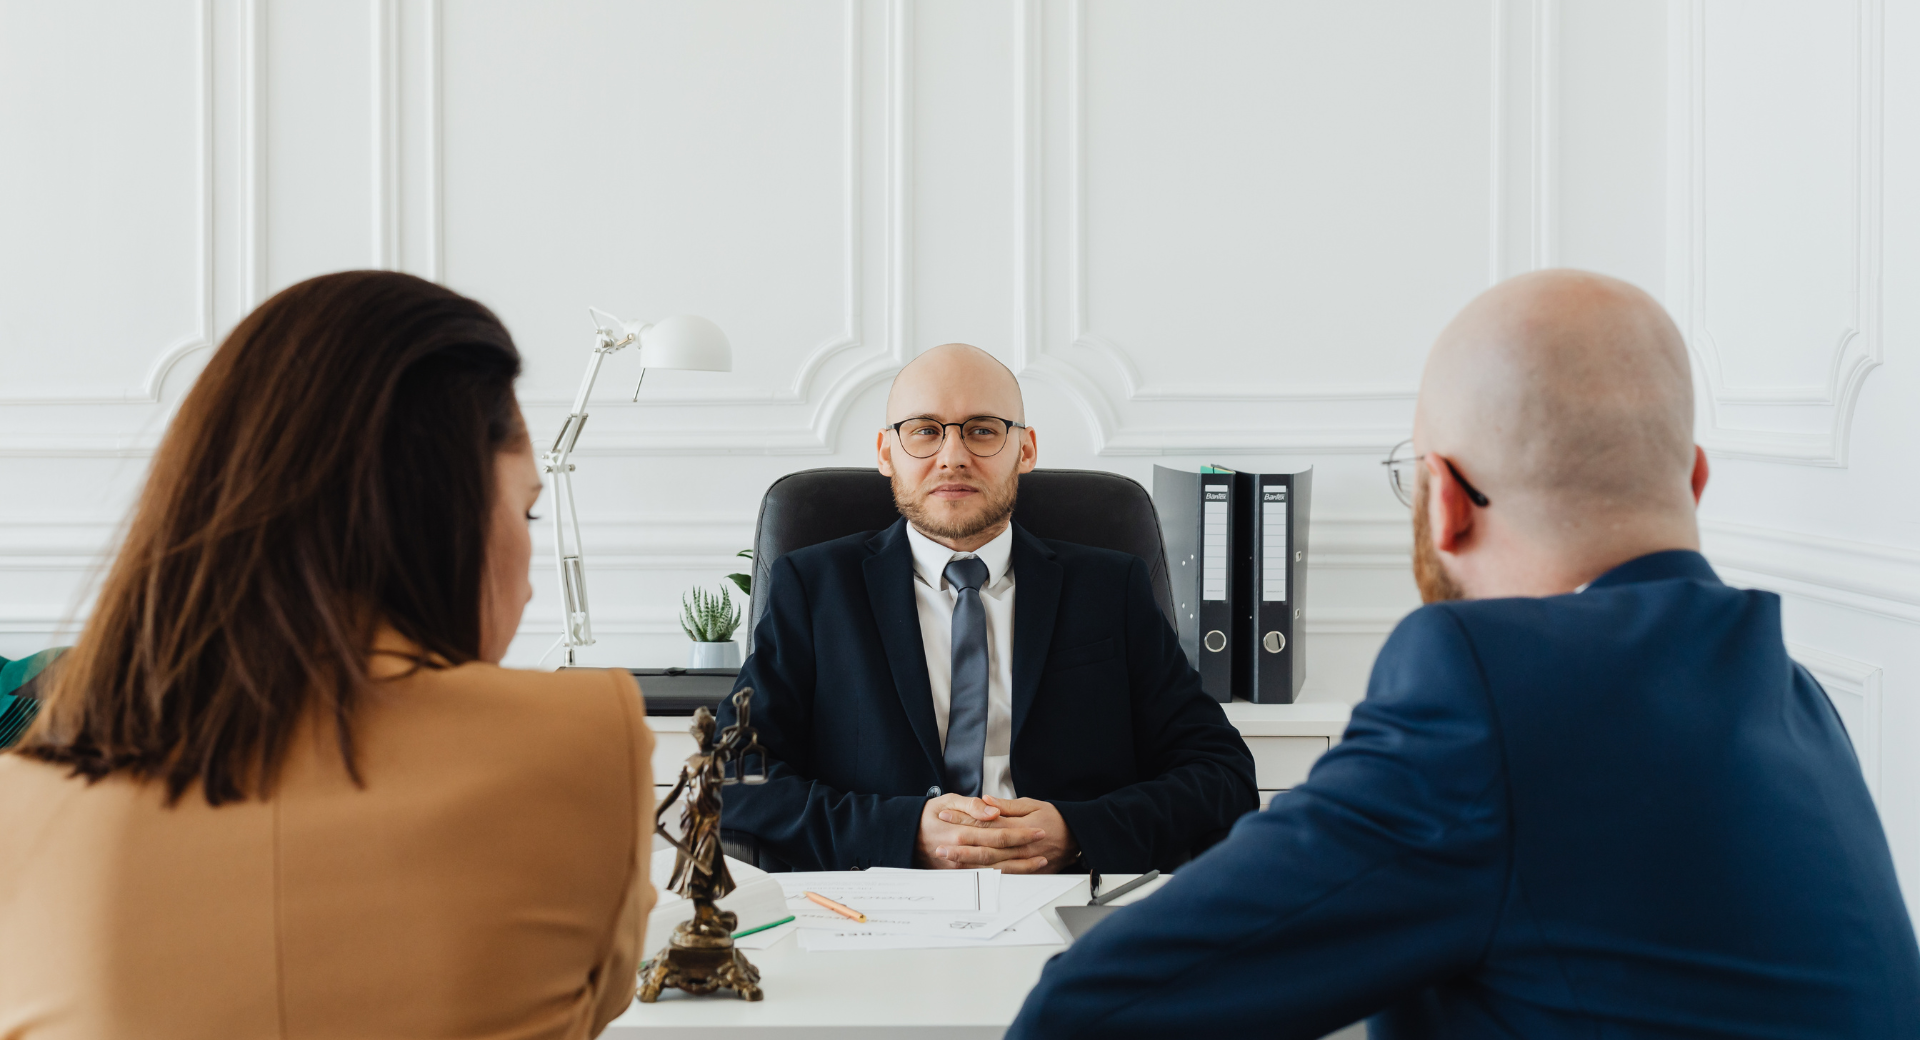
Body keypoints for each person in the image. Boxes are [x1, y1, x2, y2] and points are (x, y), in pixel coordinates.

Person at [1010, 270, 1920, 1038]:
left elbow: (1084, 1014)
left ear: (1443, 499)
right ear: (1695, 479)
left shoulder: (1494, 691)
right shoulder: (1797, 699)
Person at [0, 271, 656, 1040]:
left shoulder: (24, 801)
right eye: (528, 512)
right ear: (442, 512)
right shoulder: (587, 735)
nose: (534, 583)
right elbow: (603, 991)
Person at [717, 343, 1256, 874]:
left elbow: (1222, 774)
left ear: (1026, 450)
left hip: (1065, 893)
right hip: (882, 894)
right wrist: (902, 832)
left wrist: (1078, 833)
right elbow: (731, 774)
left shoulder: (1111, 588)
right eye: (924, 430)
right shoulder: (814, 587)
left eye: (982, 430)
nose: (953, 456)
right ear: (886, 452)